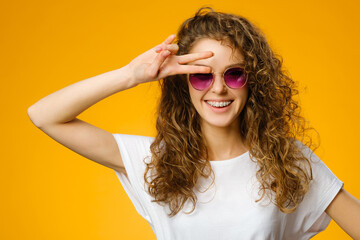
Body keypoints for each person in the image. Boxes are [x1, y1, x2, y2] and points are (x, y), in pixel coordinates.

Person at [27, 7, 360, 240]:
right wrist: (130, 75)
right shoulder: (155, 161)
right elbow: (44, 115)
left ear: (252, 81)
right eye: (201, 76)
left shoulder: (286, 161)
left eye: (234, 74)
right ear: (183, 83)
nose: (218, 88)